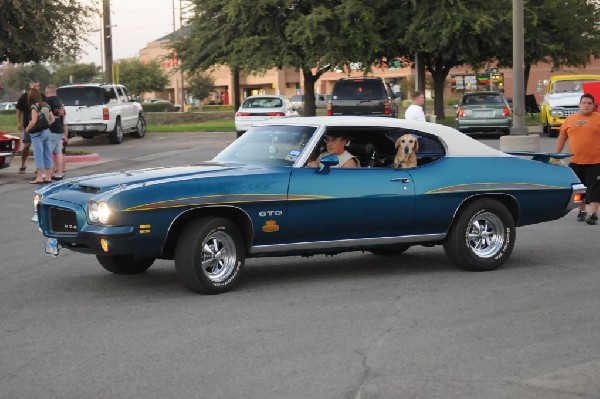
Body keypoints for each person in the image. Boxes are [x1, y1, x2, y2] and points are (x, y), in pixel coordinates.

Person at [555, 93, 600, 225]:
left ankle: (593, 214)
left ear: (594, 106)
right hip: (575, 161)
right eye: (584, 103)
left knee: (595, 188)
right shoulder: (570, 120)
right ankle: (582, 211)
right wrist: (556, 155)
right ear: (579, 105)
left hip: (596, 161)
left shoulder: (598, 118)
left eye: (589, 103)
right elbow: (562, 137)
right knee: (580, 188)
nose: (586, 105)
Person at [24, 87, 55, 184]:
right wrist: (45, 125)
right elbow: (52, 119)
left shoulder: (34, 107)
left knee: (38, 154)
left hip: (37, 133)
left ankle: (39, 177)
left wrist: (27, 129)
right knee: (47, 154)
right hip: (47, 132)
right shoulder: (46, 105)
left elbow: (33, 121)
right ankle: (48, 177)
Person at [15, 79, 44, 174]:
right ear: (30, 88)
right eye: (34, 87)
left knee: (39, 147)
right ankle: (23, 164)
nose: (36, 88)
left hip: (40, 126)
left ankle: (38, 167)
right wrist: (19, 122)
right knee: (27, 145)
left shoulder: (42, 96)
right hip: (28, 125)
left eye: (38, 86)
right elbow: (19, 110)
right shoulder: (24, 97)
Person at [45, 84, 68, 180]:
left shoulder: (48, 101)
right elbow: (64, 117)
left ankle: (47, 174)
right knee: (58, 152)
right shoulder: (60, 102)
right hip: (60, 130)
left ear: (48, 91)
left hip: (52, 130)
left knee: (47, 152)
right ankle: (59, 173)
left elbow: (46, 116)